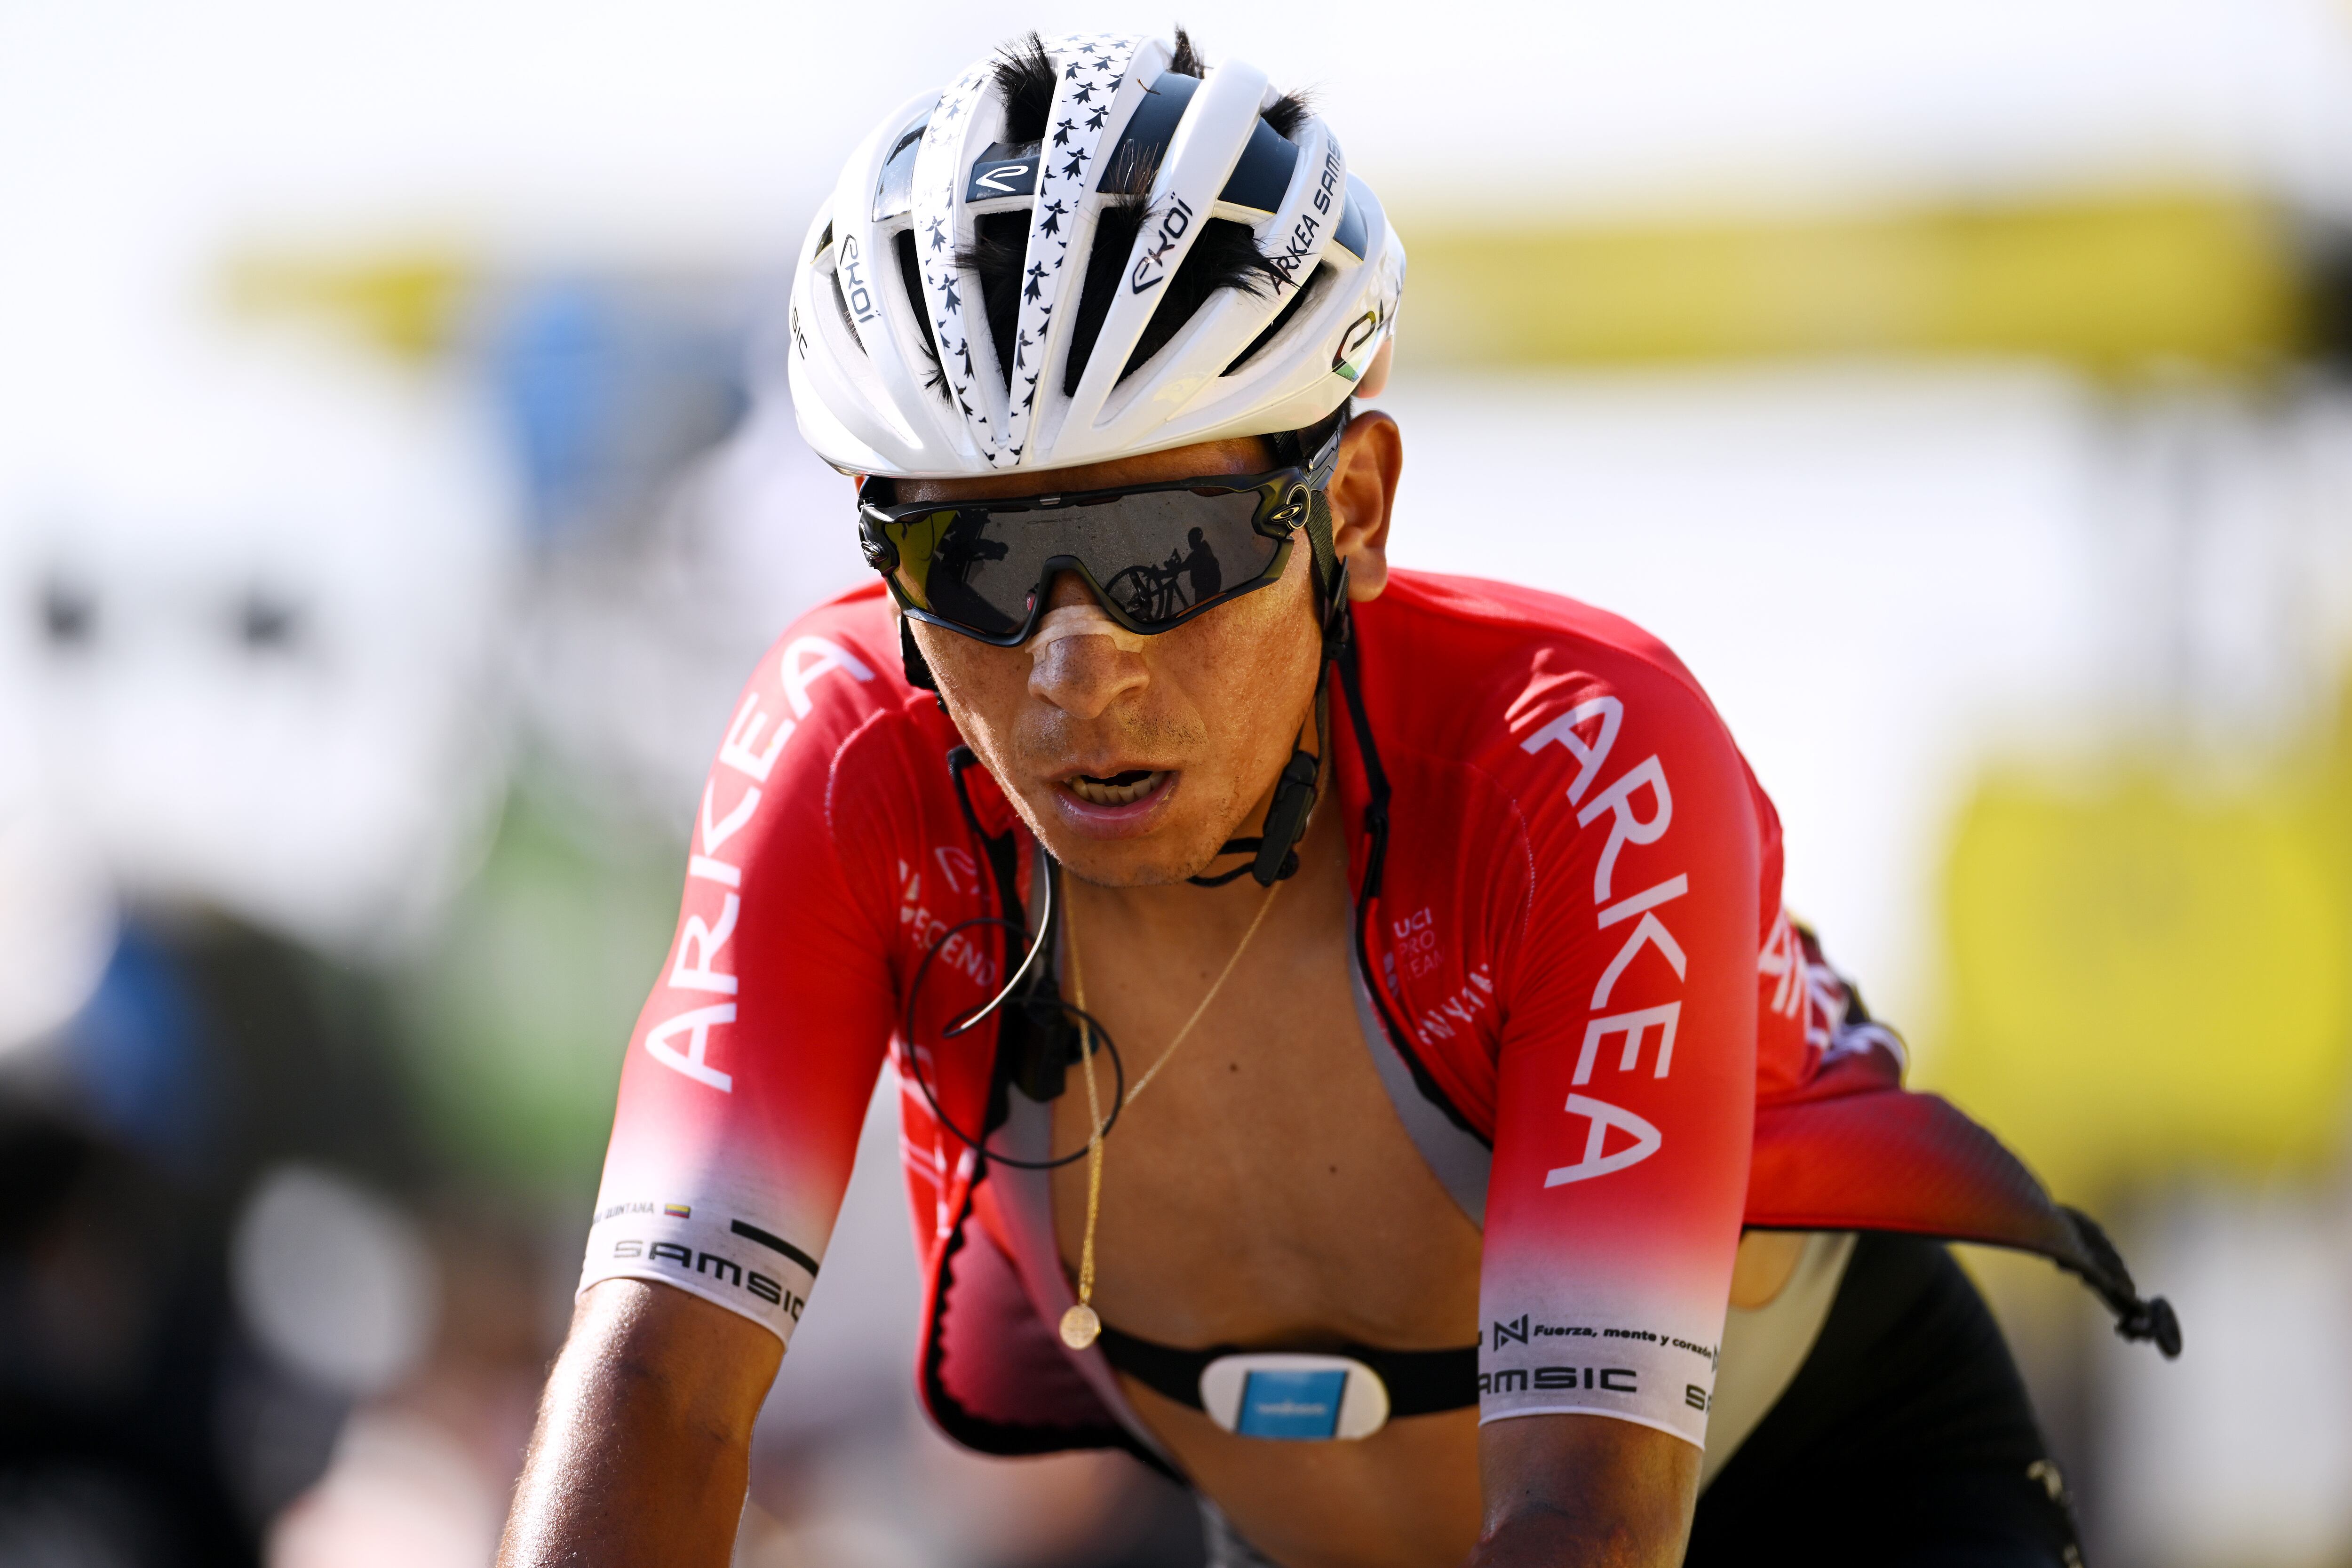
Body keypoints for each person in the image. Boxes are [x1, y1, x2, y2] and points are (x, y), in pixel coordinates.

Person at [498, 31, 2177, 1568]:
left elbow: (1589, 1514)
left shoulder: (1579, 765)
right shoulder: (843, 749)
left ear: (1352, 507)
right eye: (978, 562)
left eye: (1168, 554)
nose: (1078, 675)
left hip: (1806, 1490)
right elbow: (661, 1382)